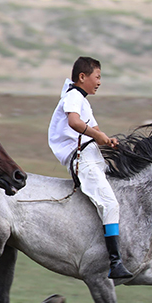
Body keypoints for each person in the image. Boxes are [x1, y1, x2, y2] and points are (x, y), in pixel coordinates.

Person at [47, 56, 133, 283]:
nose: (100, 82)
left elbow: (94, 129)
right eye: (98, 76)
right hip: (81, 158)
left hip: (92, 155)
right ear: (82, 77)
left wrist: (107, 140)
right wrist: (98, 136)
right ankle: (115, 262)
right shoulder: (73, 96)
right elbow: (75, 123)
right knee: (110, 203)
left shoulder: (84, 101)